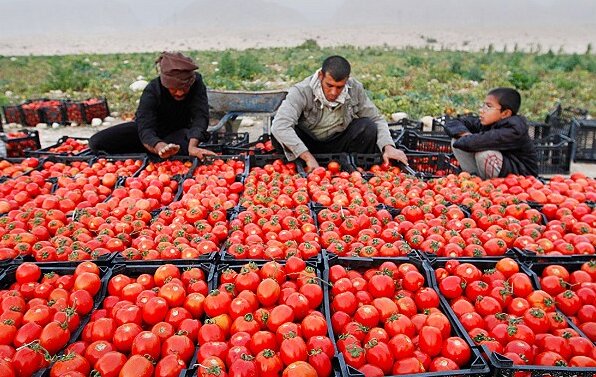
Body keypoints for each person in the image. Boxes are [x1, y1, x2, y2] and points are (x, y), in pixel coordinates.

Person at [271, 55, 407, 172]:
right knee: (279, 134)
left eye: (339, 87)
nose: (334, 92)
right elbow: (280, 126)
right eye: (329, 85)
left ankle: (354, 167)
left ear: (347, 80)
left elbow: (377, 119)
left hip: (338, 143)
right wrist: (307, 156)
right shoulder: (302, 91)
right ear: (320, 76)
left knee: (368, 127)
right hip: (307, 142)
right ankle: (298, 164)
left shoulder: (355, 89)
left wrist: (388, 147)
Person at [89, 51, 217, 159]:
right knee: (97, 142)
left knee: (183, 147)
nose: (180, 92)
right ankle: (153, 152)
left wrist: (193, 147)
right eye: (173, 88)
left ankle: (161, 153)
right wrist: (158, 146)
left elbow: (200, 116)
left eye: (185, 88)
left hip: (179, 133)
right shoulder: (152, 91)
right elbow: (145, 127)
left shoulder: (196, 83)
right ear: (165, 84)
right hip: (150, 134)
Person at [443, 87, 538, 178]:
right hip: (502, 170)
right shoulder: (488, 122)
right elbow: (453, 123)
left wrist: (467, 139)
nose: (482, 111)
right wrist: (464, 134)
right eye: (483, 105)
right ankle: (475, 180)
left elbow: (475, 143)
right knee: (457, 139)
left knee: (485, 154)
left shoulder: (514, 130)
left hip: (521, 177)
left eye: (488, 107)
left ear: (505, 113)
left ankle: (489, 187)